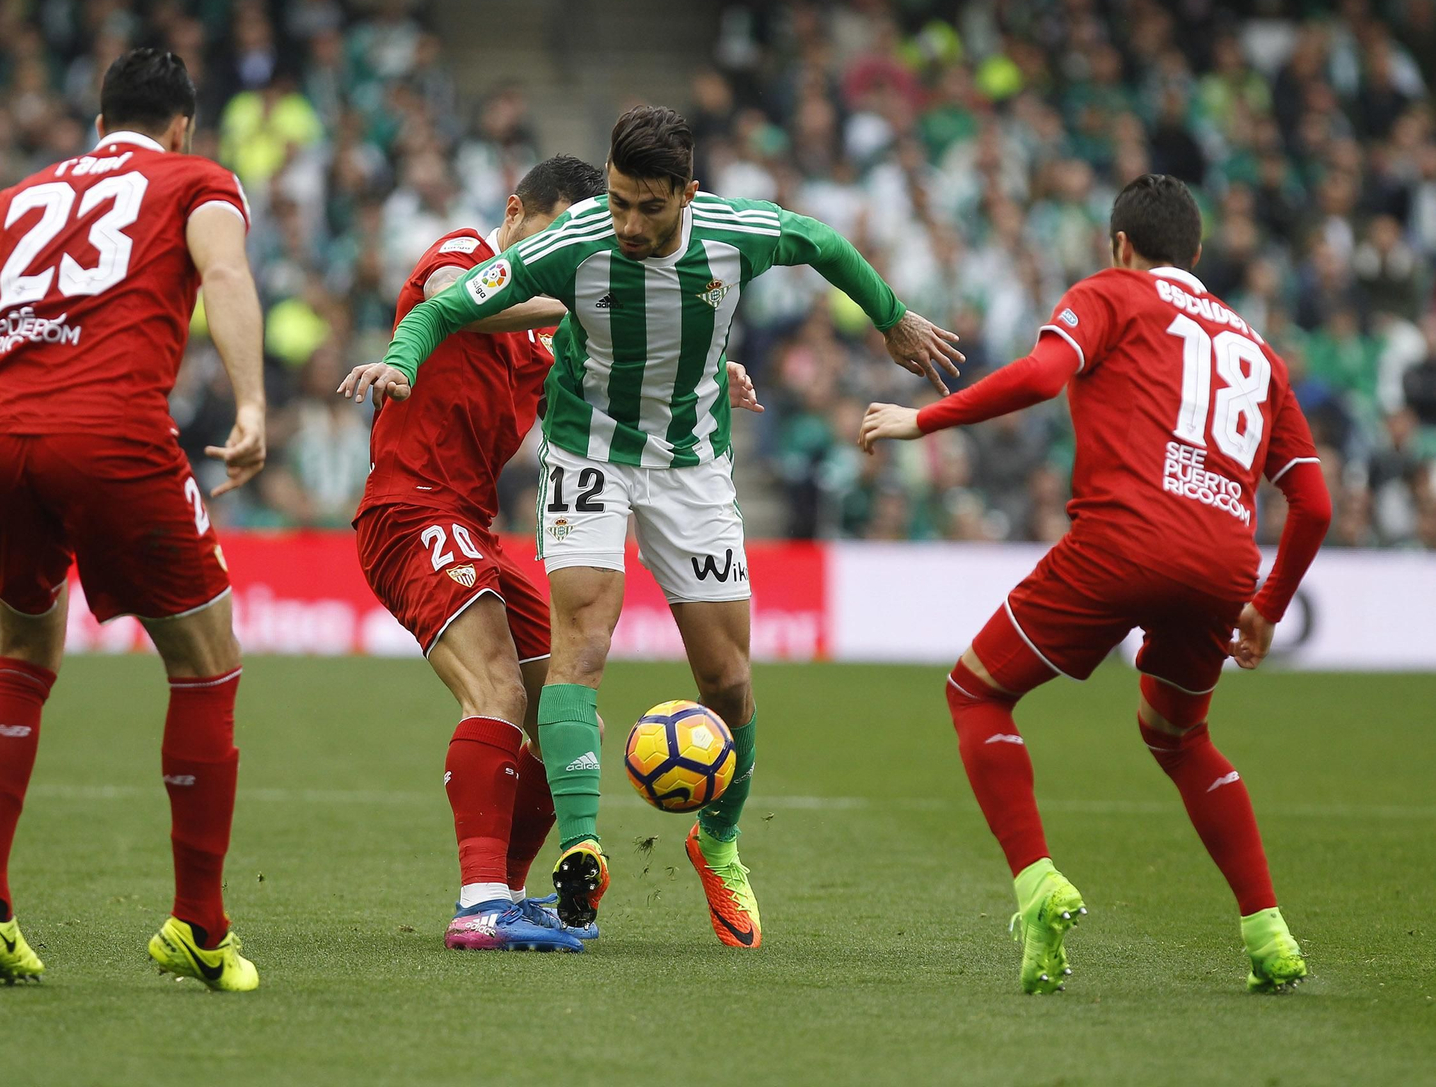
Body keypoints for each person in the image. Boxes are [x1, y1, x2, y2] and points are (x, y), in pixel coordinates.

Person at [348, 106, 960, 947]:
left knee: (715, 683)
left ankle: (688, 851)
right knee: (538, 671)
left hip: (678, 469)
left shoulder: (727, 239)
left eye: (647, 208)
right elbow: (447, 304)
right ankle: (537, 873)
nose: (627, 226)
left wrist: (880, 318)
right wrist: (402, 360)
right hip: (469, 491)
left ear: (686, 196)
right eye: (615, 204)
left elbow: (819, 241)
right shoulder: (515, 249)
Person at [859, 173, 1330, 994]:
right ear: (1196, 252)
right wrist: (1268, 607)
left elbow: (1043, 376)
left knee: (976, 693)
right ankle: (1269, 932)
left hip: (1122, 543)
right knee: (1179, 738)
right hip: (1223, 564)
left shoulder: (1112, 292)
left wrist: (921, 419)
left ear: (1120, 245)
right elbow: (1314, 503)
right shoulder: (1260, 352)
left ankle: (1038, 882)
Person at [339, 155, 764, 953]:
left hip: (475, 529)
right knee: (497, 690)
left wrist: (701, 367)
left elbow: (617, 386)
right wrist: (582, 298)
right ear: (514, 213)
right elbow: (452, 299)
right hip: (410, 512)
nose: (566, 253)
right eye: (555, 235)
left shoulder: (542, 345)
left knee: (568, 719)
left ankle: (510, 894)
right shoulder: (464, 253)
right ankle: (478, 904)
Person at [0, 49, 267, 991]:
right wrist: (251, 406)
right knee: (208, 661)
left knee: (23, 655)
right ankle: (200, 926)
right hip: (113, 433)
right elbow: (225, 272)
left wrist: (12, 405)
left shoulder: (11, 200)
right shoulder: (196, 180)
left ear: (100, 120)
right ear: (181, 126)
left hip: (0, 438)